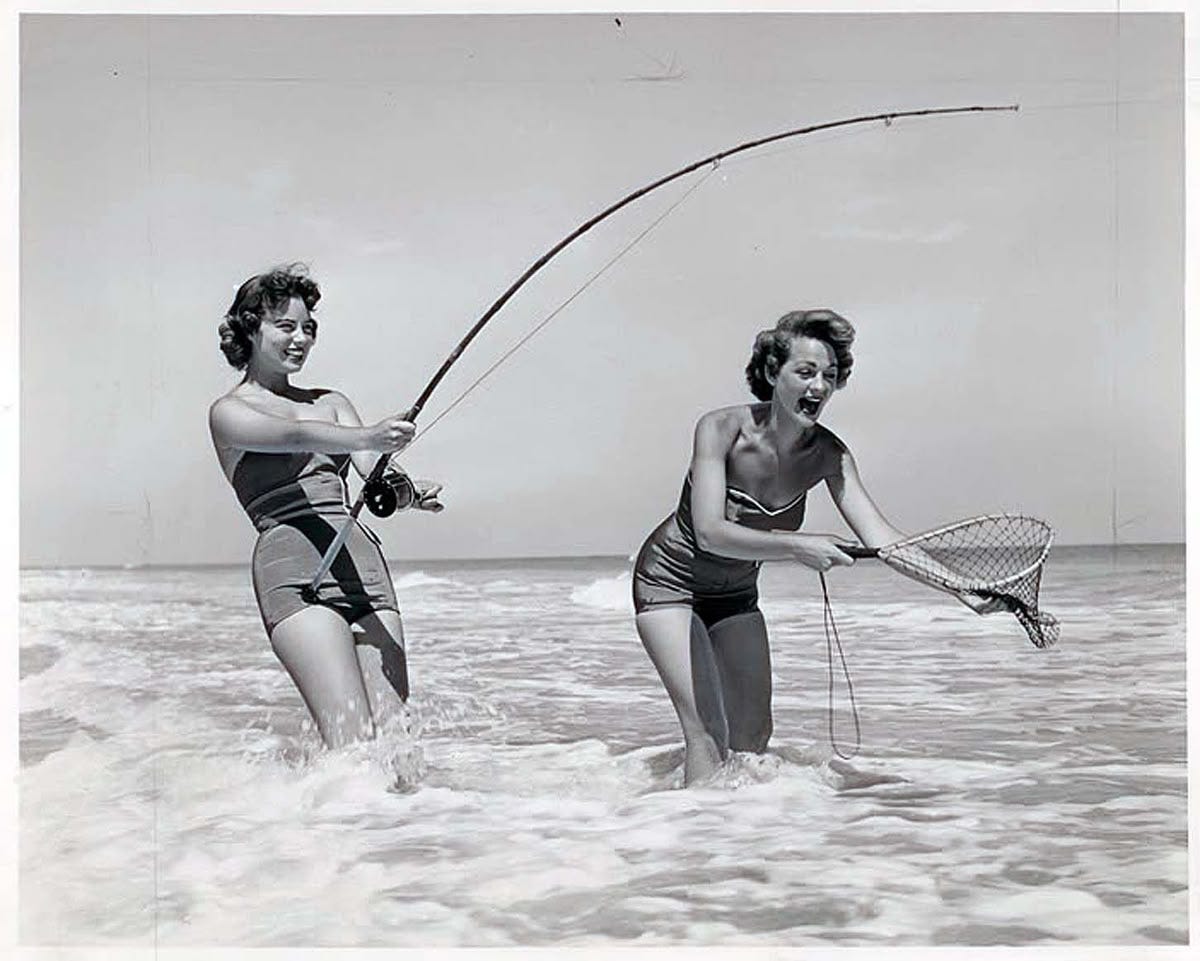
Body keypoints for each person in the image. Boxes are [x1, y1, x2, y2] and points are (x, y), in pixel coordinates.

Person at [632, 309, 995, 785]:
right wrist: (799, 546)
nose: (819, 387)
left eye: (830, 375)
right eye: (805, 372)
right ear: (771, 373)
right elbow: (709, 532)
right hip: (669, 582)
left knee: (753, 735)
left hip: (734, 594)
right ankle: (691, 825)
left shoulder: (829, 454)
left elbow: (883, 537)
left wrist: (962, 589)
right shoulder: (720, 429)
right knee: (708, 733)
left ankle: (727, 825)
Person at [209, 264, 443, 749]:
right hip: (295, 574)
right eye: (286, 326)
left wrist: (407, 491)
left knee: (395, 746)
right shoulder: (230, 412)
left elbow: (370, 468)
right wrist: (369, 435)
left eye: (309, 328)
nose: (301, 339)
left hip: (365, 570)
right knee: (352, 745)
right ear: (251, 327)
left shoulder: (332, 402)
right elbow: (292, 436)